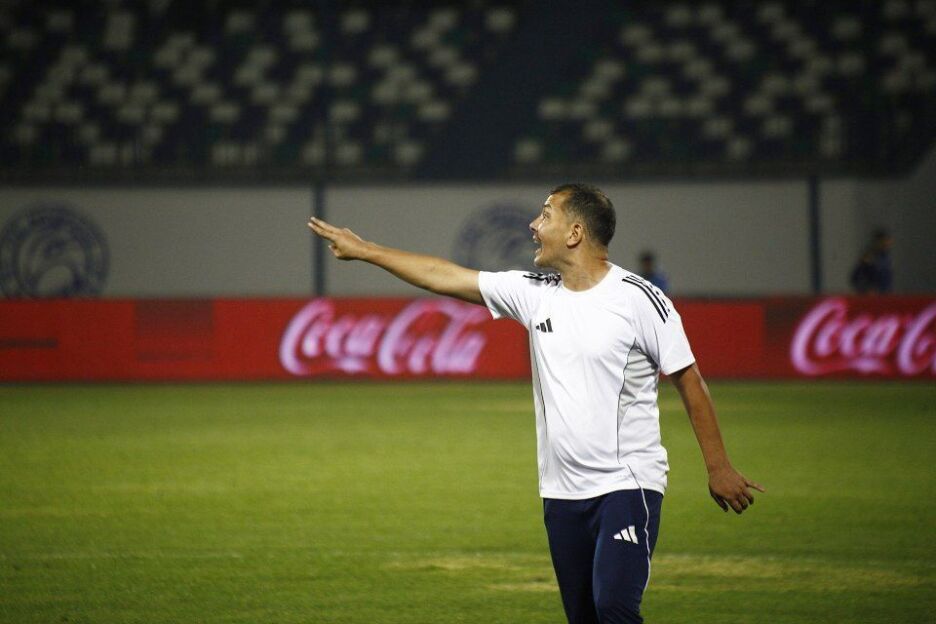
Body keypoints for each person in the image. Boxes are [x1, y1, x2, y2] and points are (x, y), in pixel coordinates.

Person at [308, 183, 763, 624]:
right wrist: (367, 251)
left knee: (615, 608)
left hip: (627, 486)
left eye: (546, 215)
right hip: (561, 493)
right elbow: (444, 275)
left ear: (575, 233)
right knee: (584, 617)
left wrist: (718, 466)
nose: (533, 224)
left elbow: (689, 379)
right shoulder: (533, 292)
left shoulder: (640, 300)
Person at [850, 228, 893, 294]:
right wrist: (866, 289)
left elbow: (886, 278)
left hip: (884, 294)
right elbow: (856, 277)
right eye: (884, 241)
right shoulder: (869, 256)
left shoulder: (885, 257)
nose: (887, 244)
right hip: (872, 295)